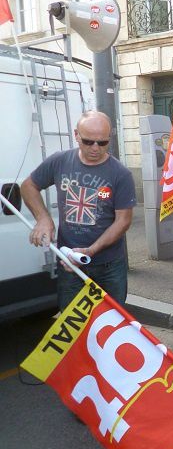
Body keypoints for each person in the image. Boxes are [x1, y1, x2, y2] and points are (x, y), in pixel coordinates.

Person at [21, 111, 136, 310]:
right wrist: (43, 219)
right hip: (70, 265)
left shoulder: (120, 174)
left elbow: (123, 221)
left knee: (112, 325)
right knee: (72, 328)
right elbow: (28, 186)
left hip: (109, 266)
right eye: (88, 141)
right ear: (76, 135)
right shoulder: (60, 161)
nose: (95, 148)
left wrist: (90, 251)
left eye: (102, 143)